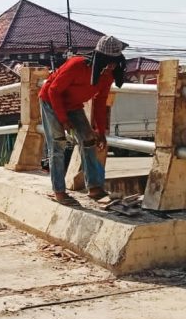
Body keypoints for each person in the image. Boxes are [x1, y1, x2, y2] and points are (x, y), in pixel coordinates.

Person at [39, 35, 127, 205]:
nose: (111, 66)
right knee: (57, 144)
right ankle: (59, 191)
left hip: (73, 105)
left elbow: (100, 102)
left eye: (114, 62)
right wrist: (63, 120)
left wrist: (101, 132)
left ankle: (94, 188)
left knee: (88, 140)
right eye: (108, 62)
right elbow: (53, 91)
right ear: (100, 59)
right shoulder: (77, 65)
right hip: (51, 101)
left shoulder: (108, 75)